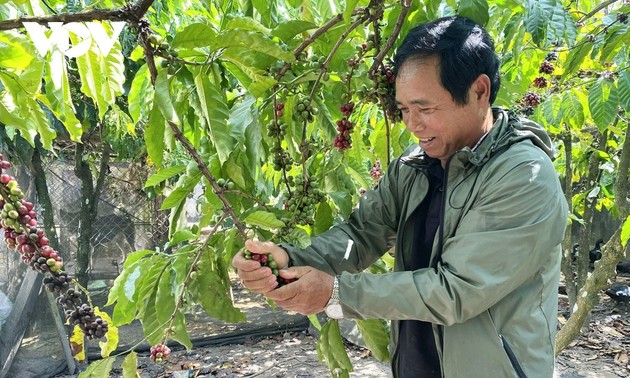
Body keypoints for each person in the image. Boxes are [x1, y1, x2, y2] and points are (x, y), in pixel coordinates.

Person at [232, 15, 568, 378]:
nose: (412, 124)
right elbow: (359, 238)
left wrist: (337, 293)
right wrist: (292, 257)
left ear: (479, 91)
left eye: (425, 109)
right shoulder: (414, 167)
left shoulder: (523, 177)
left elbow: (457, 290)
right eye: (405, 109)